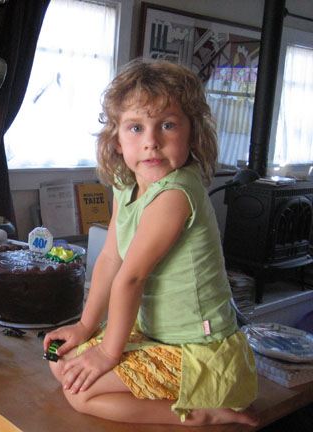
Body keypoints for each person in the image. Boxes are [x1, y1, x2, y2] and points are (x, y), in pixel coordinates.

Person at [44, 59, 259, 426]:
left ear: (193, 133)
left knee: (78, 394)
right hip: (155, 334)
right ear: (116, 138)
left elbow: (131, 278)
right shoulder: (125, 184)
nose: (151, 142)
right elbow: (110, 259)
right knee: (58, 361)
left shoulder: (176, 193)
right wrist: (84, 327)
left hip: (197, 350)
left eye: (168, 125)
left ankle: (200, 414)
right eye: (136, 127)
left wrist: (108, 354)